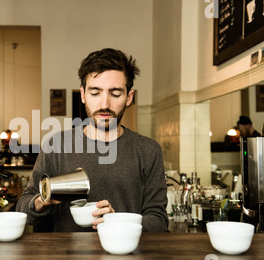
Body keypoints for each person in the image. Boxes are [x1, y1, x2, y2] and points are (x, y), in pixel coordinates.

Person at [16, 48, 168, 232]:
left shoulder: (148, 150)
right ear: (83, 95)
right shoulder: (56, 145)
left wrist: (117, 222)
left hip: (126, 257)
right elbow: (23, 209)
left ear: (129, 97)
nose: (104, 104)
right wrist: (42, 200)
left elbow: (159, 222)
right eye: (95, 93)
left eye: (115, 93)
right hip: (67, 258)